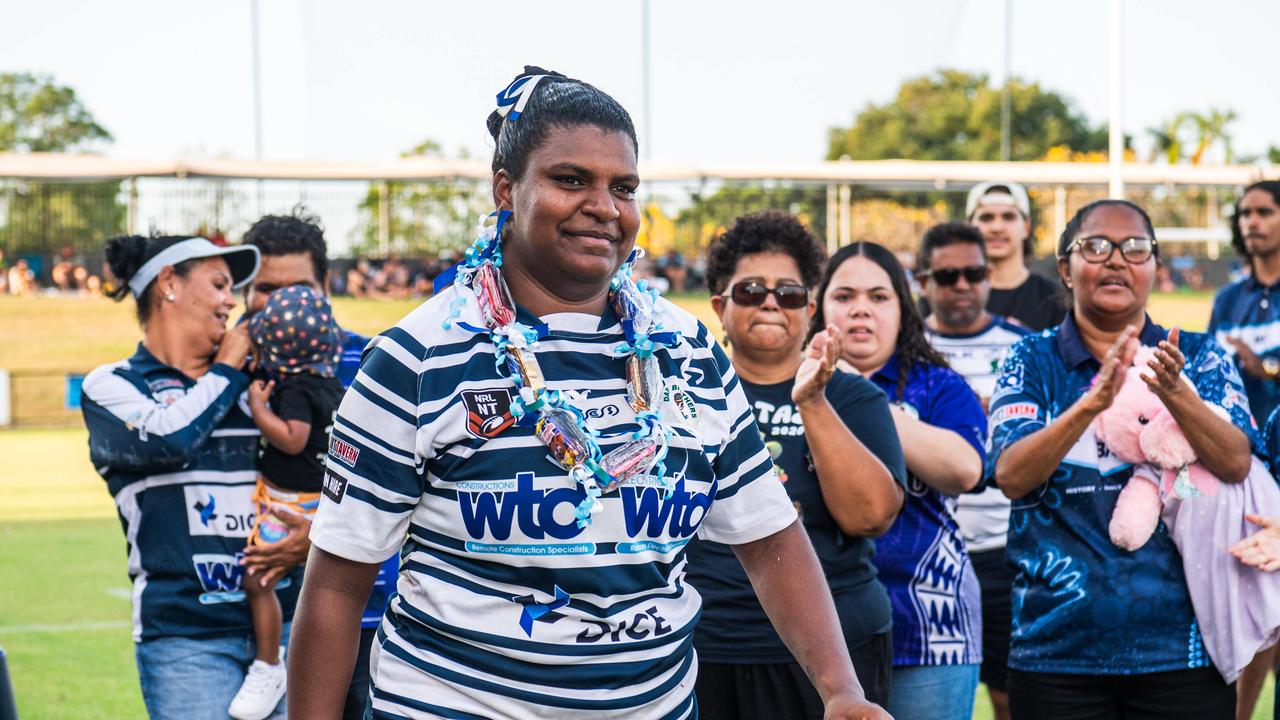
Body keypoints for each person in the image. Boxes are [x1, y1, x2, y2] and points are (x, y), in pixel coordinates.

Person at [286, 67, 887, 720]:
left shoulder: (688, 352)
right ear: (506, 189)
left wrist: (841, 690)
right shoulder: (418, 356)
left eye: (623, 186)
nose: (604, 206)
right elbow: (337, 586)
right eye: (571, 179)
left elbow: (769, 538)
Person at [989, 199, 1258, 720]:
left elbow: (1236, 462)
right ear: (1065, 269)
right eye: (1095, 246)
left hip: (1184, 651)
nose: (1116, 259)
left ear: (1156, 266)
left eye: (1135, 248)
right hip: (1054, 653)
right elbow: (1011, 475)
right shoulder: (1031, 359)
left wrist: (1175, 392)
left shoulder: (1198, 357)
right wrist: (1091, 402)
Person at [684, 210, 906, 718]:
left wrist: (812, 401)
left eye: (786, 293)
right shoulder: (680, 397)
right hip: (703, 646)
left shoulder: (853, 398)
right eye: (750, 291)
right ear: (719, 306)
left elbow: (870, 516)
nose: (768, 301)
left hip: (834, 656)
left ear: (809, 308)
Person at [80, 234, 302, 720]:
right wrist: (225, 372)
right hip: (185, 637)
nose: (231, 300)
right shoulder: (112, 385)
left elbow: (322, 469)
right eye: (219, 284)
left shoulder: (262, 384)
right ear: (168, 284)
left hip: (288, 630)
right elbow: (169, 441)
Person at [812, 240, 986, 720]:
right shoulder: (791, 384)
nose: (861, 310)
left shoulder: (937, 384)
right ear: (819, 306)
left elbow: (966, 470)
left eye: (879, 297)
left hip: (929, 626)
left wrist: (857, 392)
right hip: (820, 628)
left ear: (904, 308)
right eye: (844, 296)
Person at [238, 211, 392, 720]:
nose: (282, 303)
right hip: (252, 627)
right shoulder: (229, 369)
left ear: (325, 286)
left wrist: (326, 537)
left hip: (373, 621)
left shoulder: (377, 362)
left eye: (298, 287)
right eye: (265, 290)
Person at [918, 221, 1029, 720]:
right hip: (926, 557)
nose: (962, 284)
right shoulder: (902, 346)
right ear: (923, 280)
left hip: (1010, 553)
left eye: (973, 272)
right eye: (947, 276)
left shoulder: (1026, 347)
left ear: (989, 277)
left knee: (1015, 696)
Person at [226, 285, 346, 720]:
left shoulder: (294, 389)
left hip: (291, 505)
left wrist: (259, 408)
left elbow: (293, 440)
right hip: (319, 502)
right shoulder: (330, 384)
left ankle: (269, 663)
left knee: (258, 578)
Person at [1207, 181, 1280, 719]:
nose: (1252, 222)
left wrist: (1265, 370)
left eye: (1265, 212)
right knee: (1249, 622)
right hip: (1243, 474)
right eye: (1245, 214)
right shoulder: (1228, 298)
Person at [966, 181, 1067, 331]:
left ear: (1026, 226)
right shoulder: (950, 295)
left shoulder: (1055, 298)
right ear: (969, 226)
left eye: (1008, 217)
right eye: (986, 218)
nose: (997, 227)